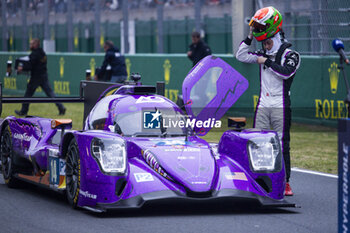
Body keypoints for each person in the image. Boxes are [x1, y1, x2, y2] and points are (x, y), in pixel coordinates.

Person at [236, 6, 301, 196]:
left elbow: (286, 72)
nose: (265, 46)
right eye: (263, 43)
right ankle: (258, 180)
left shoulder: (291, 55)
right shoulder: (260, 55)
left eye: (267, 43)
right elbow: (240, 55)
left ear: (275, 37)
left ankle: (285, 182)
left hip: (281, 105)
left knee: (281, 144)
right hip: (263, 105)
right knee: (257, 142)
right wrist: (249, 36)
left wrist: (267, 62)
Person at [15, 38, 66, 116]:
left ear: (36, 44)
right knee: (50, 93)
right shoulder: (42, 52)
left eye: (31, 44)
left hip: (36, 77)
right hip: (43, 75)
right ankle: (61, 107)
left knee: (28, 94)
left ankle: (23, 111)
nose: (30, 45)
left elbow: (30, 65)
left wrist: (22, 68)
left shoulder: (35, 54)